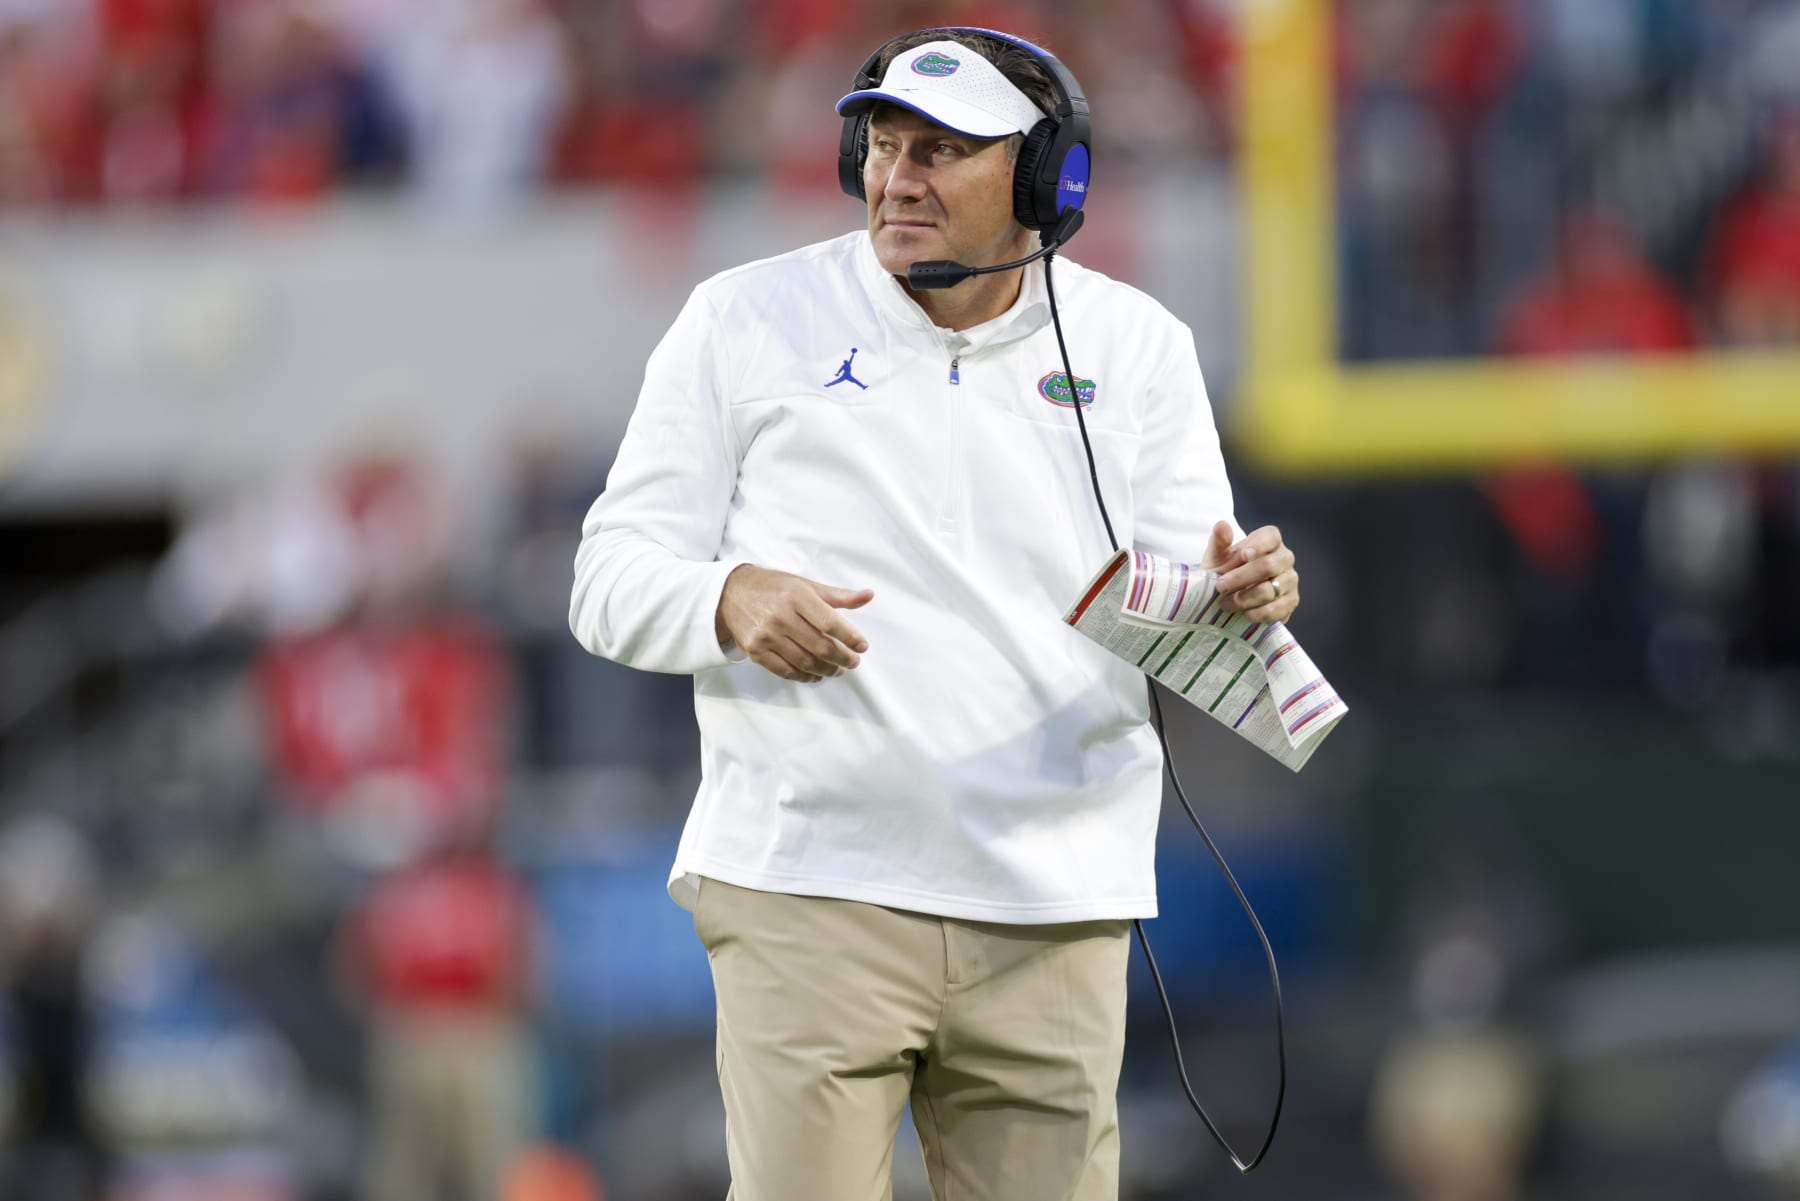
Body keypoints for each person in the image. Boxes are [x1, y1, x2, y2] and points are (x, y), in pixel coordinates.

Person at [568, 26, 1300, 1201]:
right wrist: (726, 594)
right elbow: (606, 577)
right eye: (883, 145)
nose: (896, 177)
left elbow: (1187, 601)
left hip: (1053, 903)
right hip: (813, 883)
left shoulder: (1139, 347)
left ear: (1043, 178)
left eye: (944, 151)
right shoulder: (743, 320)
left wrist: (1248, 597)